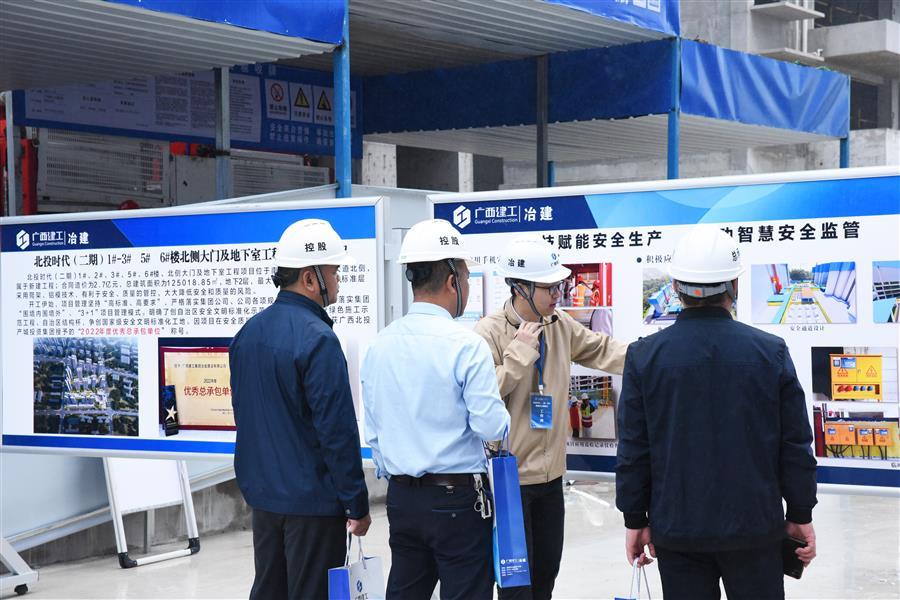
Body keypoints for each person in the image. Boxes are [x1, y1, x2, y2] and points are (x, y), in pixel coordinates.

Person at [616, 225, 818, 600]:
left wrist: (635, 518)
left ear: (675, 287)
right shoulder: (770, 352)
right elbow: (794, 445)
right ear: (734, 287)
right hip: (755, 529)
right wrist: (800, 513)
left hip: (677, 531)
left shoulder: (644, 357)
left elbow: (634, 448)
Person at [362, 219, 510, 600]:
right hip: (457, 499)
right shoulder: (466, 345)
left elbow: (373, 432)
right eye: (467, 276)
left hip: (402, 497)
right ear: (451, 281)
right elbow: (491, 426)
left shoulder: (380, 344)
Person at [473, 234, 627, 600]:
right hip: (509, 480)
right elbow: (483, 394)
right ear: (520, 288)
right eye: (550, 288)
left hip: (552, 476)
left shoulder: (559, 324)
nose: (559, 294)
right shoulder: (488, 332)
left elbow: (600, 349)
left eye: (560, 286)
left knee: (546, 576)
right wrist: (519, 354)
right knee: (515, 584)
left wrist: (654, 354)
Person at [230, 219, 370, 600]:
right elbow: (336, 432)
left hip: (265, 501)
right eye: (334, 272)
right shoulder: (319, 340)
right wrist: (356, 503)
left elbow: (245, 415)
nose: (339, 280)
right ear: (310, 278)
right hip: (313, 506)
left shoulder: (247, 333)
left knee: (269, 590)